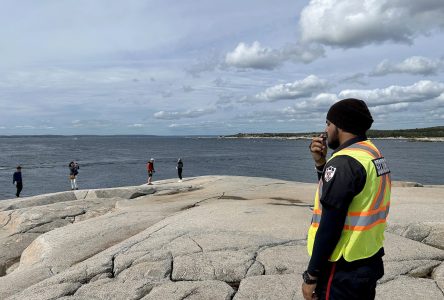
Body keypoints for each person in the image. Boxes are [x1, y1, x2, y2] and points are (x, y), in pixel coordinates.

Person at [302, 98, 391, 300]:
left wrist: (311, 275)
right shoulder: (372, 153)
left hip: (342, 267)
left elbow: (330, 225)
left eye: (328, 123)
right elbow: (341, 194)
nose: (325, 130)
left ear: (339, 125)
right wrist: (321, 164)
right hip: (367, 257)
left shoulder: (344, 163)